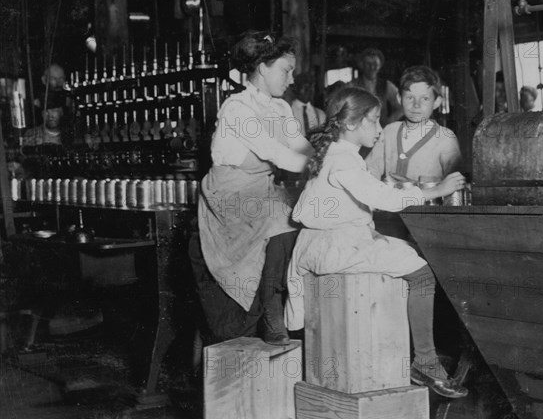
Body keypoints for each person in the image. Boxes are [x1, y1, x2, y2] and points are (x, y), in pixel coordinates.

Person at [285, 86, 468, 399]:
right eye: (373, 122)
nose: (380, 129)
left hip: (326, 242)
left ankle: (415, 355)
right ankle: (425, 359)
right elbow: (384, 198)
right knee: (422, 271)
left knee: (405, 252)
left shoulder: (334, 154)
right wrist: (436, 190)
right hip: (335, 246)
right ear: (352, 124)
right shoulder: (343, 160)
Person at [193, 31, 313, 347]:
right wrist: (320, 167)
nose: (291, 79)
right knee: (283, 219)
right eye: (285, 70)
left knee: (299, 218)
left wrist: (331, 156)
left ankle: (290, 308)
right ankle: (272, 313)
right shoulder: (237, 107)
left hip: (261, 190)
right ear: (262, 68)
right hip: (228, 197)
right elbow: (279, 154)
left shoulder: (283, 109)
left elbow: (301, 147)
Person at [365, 65, 462, 184]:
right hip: (390, 202)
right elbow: (370, 171)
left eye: (425, 99)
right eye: (410, 97)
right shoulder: (389, 131)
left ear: (436, 102)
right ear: (399, 99)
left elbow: (455, 183)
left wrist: (415, 184)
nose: (416, 105)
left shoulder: (445, 138)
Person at [346, 47, 402, 127]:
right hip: (359, 132)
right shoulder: (353, 85)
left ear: (380, 65)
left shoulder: (386, 85)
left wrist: (389, 121)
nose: (372, 67)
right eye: (368, 64)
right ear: (362, 65)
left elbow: (402, 107)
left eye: (375, 64)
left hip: (380, 131)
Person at [290, 72, 326, 138]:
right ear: (296, 89)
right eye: (305, 88)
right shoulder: (287, 111)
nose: (309, 91)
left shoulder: (320, 114)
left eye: (312, 87)